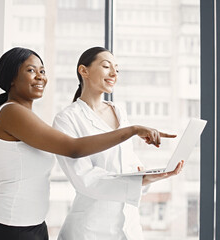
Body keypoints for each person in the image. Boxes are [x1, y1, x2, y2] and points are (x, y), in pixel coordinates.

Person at [0, 47, 176, 240]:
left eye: (43, 71)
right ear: (11, 78)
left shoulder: (24, 115)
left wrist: (143, 175)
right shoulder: (12, 112)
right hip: (13, 224)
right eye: (31, 70)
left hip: (33, 223)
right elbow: (73, 148)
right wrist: (132, 130)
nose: (40, 77)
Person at [53, 47, 185, 240]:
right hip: (90, 230)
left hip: (127, 227)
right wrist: (140, 180)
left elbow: (129, 164)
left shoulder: (119, 111)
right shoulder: (67, 119)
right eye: (106, 66)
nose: (114, 74)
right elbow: (85, 180)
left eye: (117, 69)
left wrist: (153, 175)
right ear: (84, 71)